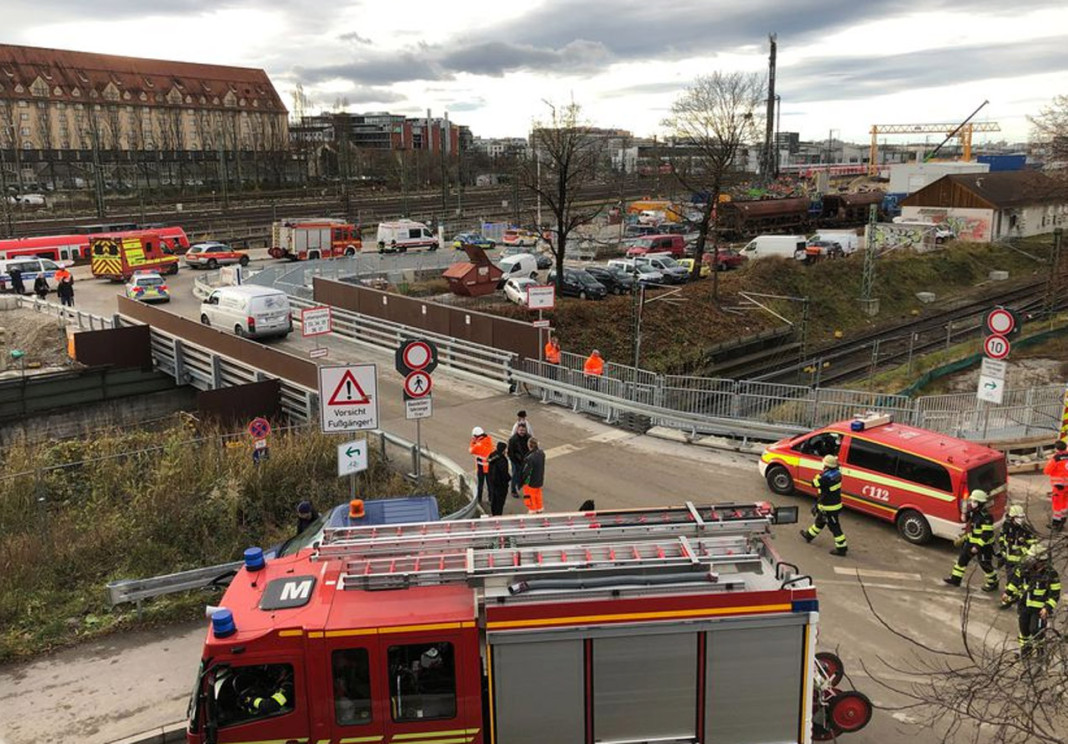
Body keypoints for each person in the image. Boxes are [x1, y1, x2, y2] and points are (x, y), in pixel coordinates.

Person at [1002, 543, 1060, 658]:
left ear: (1040, 561)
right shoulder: (1024, 569)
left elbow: (1055, 594)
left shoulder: (1051, 574)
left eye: (1032, 558)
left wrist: (1047, 608)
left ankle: (1040, 654)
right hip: (1024, 606)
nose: (1028, 560)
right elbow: (1015, 581)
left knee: (1036, 631)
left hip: (1039, 609)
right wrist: (1008, 593)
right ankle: (1026, 653)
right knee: (1024, 631)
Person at [944, 489, 999, 592]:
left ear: (980, 503)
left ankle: (993, 582)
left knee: (985, 565)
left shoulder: (986, 517)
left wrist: (977, 547)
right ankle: (955, 579)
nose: (972, 503)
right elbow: (967, 518)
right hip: (971, 541)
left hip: (983, 546)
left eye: (974, 501)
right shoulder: (974, 511)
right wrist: (964, 515)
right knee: (962, 560)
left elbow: (986, 535)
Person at [800, 454, 848, 556]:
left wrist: (818, 476)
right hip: (829, 504)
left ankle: (842, 548)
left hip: (829, 508)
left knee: (834, 527)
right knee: (820, 522)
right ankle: (809, 535)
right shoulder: (837, 474)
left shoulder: (826, 479)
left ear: (826, 466)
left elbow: (814, 483)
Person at [996, 503, 1038, 599]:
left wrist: (1022, 550)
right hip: (1008, 559)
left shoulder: (1027, 529)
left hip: (1021, 561)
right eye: (1018, 517)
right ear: (1012, 518)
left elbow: (1033, 545)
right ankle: (1010, 596)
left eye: (1022, 517)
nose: (1021, 519)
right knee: (1010, 579)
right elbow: (1002, 538)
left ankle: (1017, 596)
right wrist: (1002, 550)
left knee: (1019, 579)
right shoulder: (1007, 525)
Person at [1043, 439, 1068, 531]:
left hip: (1059, 486)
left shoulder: (1056, 458)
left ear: (1057, 449)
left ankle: (1056, 524)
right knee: (1065, 504)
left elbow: (1046, 471)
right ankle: (1063, 520)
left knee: (1057, 505)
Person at [468, 426, 494, 504]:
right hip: (489, 467)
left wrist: (473, 441)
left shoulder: (478, 446)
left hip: (481, 467)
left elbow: (470, 450)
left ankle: (479, 499)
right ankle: (491, 499)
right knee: (490, 485)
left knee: (480, 485)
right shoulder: (488, 440)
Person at [521, 437, 546, 514]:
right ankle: (539, 508)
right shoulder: (542, 453)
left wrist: (523, 481)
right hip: (539, 479)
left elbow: (527, 472)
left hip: (531, 481)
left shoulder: (530, 458)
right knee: (538, 495)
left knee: (530, 497)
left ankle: (533, 510)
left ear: (529, 445)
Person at [507, 422, 531, 499]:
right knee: (515, 474)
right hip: (515, 460)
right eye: (520, 430)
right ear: (517, 430)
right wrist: (515, 461)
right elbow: (510, 453)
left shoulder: (528, 438)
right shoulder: (513, 440)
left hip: (524, 460)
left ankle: (520, 484)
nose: (522, 432)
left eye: (523, 430)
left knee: (524, 474)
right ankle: (513, 490)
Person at [486, 441, 511, 517]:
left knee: (494, 500)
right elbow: (504, 474)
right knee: (500, 502)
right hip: (501, 485)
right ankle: (498, 515)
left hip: (492, 483)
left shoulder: (492, 456)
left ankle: (494, 514)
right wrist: (509, 478)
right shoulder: (503, 460)